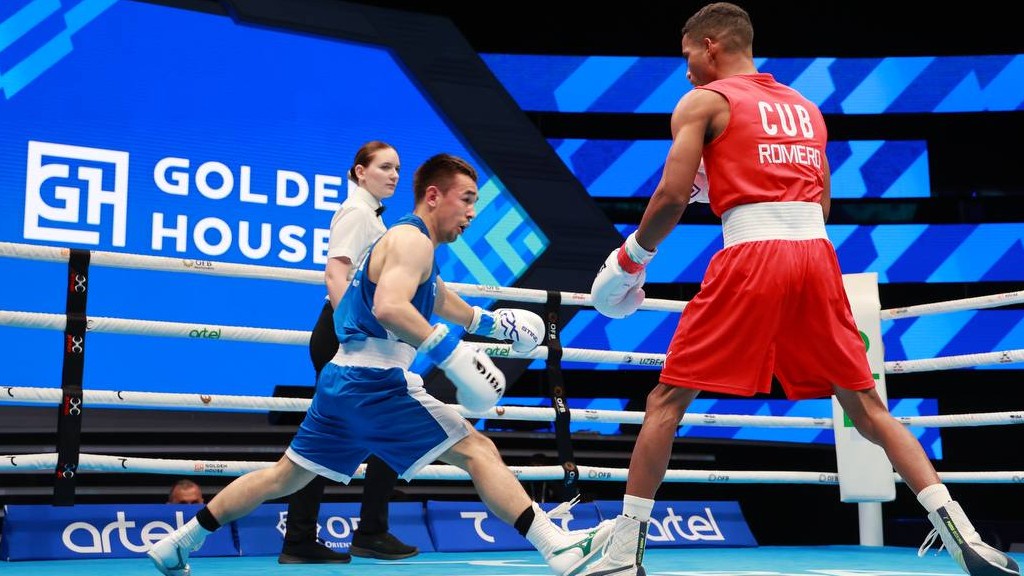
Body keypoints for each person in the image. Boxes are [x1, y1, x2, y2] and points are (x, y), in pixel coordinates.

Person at [587, 4, 1019, 576]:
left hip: (752, 256)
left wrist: (631, 259)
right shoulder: (805, 109)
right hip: (816, 256)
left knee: (666, 402)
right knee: (868, 408)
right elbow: (821, 203)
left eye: (688, 53)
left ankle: (624, 552)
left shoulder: (703, 102)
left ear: (711, 45)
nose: (685, 68)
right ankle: (965, 536)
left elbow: (669, 197)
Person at [147, 153, 610, 576]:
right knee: (477, 450)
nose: (472, 212)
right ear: (434, 196)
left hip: (343, 380)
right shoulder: (412, 241)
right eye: (467, 199)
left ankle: (179, 542)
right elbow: (390, 306)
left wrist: (492, 323)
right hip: (376, 380)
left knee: (282, 477)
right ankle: (557, 547)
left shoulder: (407, 239)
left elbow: (436, 296)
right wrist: (450, 353)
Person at [279, 140, 418, 564]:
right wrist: (350, 326)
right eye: (385, 167)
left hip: (353, 332)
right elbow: (335, 273)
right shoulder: (357, 212)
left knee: (350, 431)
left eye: (397, 168)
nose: (394, 175)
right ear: (360, 171)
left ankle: (318, 536)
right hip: (344, 333)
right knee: (381, 424)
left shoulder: (371, 215)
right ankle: (357, 532)